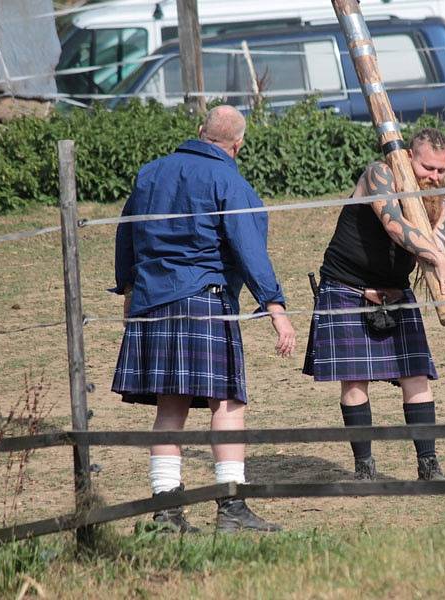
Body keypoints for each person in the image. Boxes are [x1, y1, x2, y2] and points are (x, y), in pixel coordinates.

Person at [111, 105, 296, 533]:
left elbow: (127, 234)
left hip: (154, 301)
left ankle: (166, 511)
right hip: (203, 300)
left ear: (199, 132)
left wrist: (129, 289)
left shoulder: (150, 173)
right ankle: (231, 509)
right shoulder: (228, 178)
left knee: (170, 407)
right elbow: (249, 247)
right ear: (238, 144)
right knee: (227, 403)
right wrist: (276, 308)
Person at [303, 128, 445, 481]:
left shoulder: (441, 200)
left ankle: (428, 464)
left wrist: (440, 263)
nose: (434, 177)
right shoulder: (379, 173)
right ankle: (365, 467)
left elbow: (436, 246)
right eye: (428, 168)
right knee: (355, 380)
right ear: (408, 156)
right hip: (347, 287)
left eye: (441, 170)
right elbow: (394, 225)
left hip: (395, 293)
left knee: (417, 375)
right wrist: (438, 257)